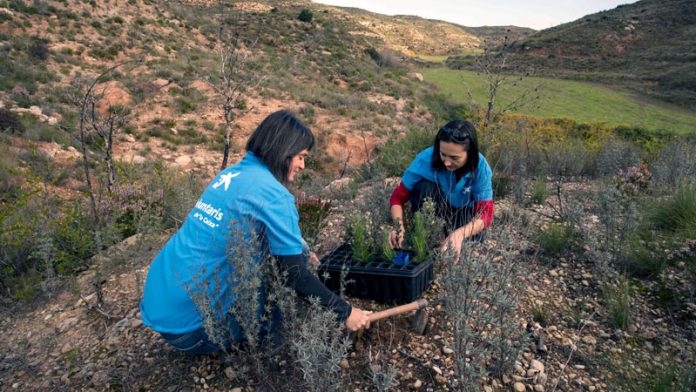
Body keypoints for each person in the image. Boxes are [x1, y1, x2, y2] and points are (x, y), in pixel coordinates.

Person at [140, 110, 371, 354]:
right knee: (281, 296)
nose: (303, 165)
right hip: (193, 331)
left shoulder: (229, 175)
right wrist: (346, 312)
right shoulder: (275, 195)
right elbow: (295, 275)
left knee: (264, 255)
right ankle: (268, 351)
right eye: (301, 157)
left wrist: (302, 249)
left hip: (161, 305)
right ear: (284, 151)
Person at [388, 119, 494, 258]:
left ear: (470, 154)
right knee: (423, 187)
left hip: (463, 213)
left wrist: (459, 234)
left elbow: (486, 214)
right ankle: (424, 237)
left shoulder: (481, 167)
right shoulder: (425, 159)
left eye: (455, 157)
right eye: (443, 154)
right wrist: (398, 227)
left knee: (469, 245)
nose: (447, 162)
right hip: (434, 210)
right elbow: (397, 197)